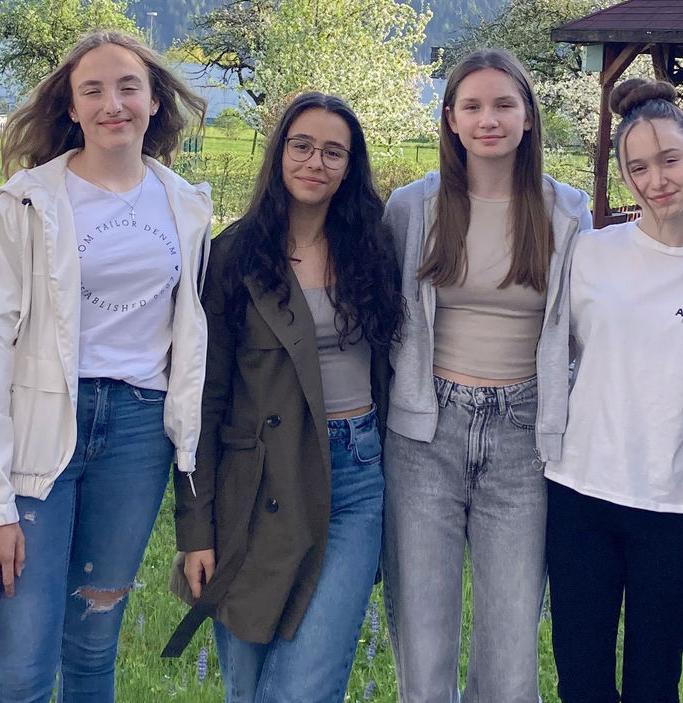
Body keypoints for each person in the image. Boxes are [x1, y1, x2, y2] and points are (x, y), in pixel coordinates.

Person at [0, 30, 211, 702]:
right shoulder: (26, 202)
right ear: (71, 108)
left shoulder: (186, 205)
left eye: (128, 87)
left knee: (95, 647)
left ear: (154, 101)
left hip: (136, 435)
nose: (112, 104)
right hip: (40, 424)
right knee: (24, 662)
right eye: (92, 90)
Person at [164, 91, 402, 703]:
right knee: (246, 685)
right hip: (256, 482)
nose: (315, 162)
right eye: (302, 146)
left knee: (304, 685)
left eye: (333, 152)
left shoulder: (374, 249)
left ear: (349, 167)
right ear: (279, 154)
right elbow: (202, 399)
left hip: (354, 477)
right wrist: (195, 530)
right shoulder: (235, 254)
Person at [380, 48, 592, 702]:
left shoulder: (566, 213)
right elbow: (379, 311)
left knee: (510, 642)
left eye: (504, 104)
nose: (488, 119)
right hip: (425, 430)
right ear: (450, 118)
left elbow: (583, 327)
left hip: (523, 436)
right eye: (471, 106)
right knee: (422, 633)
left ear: (528, 117)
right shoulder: (412, 208)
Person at [543, 78, 683, 703]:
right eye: (638, 167)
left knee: (654, 681)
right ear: (623, 175)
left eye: (669, 160)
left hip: (677, 505)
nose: (656, 180)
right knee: (581, 679)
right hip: (580, 491)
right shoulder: (589, 253)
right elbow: (558, 353)